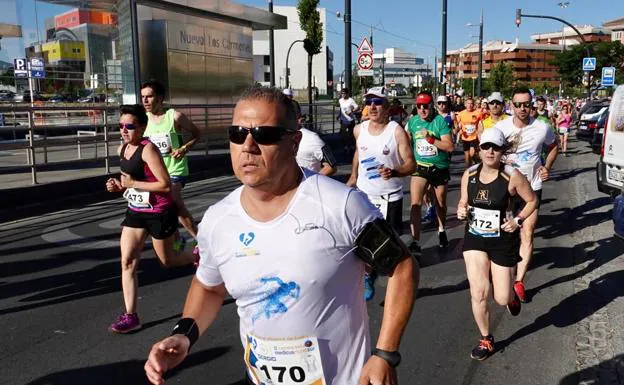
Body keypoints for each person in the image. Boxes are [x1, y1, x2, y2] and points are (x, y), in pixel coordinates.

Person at [144, 86, 418, 385]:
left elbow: (402, 267)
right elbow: (209, 287)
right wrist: (184, 335)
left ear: (294, 141)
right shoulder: (217, 220)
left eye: (265, 134)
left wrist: (385, 354)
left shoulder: (341, 205)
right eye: (237, 133)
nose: (247, 146)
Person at [105, 104, 197, 334]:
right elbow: (130, 179)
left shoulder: (148, 150)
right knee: (127, 261)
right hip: (136, 211)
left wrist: (132, 184)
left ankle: (198, 256)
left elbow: (165, 185)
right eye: (121, 126)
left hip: (158, 211)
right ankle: (131, 315)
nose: (124, 130)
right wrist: (118, 186)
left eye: (130, 126)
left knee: (168, 261)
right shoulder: (123, 149)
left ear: (142, 127)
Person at [457, 127, 537, 361]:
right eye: (486, 146)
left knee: (501, 298)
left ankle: (511, 296)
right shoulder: (469, 174)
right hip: (475, 238)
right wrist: (462, 210)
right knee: (479, 291)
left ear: (502, 151)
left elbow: (531, 201)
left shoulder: (512, 176)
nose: (490, 151)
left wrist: (518, 220)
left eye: (496, 147)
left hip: (502, 240)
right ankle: (486, 338)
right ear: (479, 149)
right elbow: (464, 201)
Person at [347, 86, 416, 301]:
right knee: (362, 239)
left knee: (390, 247)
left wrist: (394, 171)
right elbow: (359, 151)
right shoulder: (359, 129)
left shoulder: (396, 131)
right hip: (365, 194)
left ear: (387, 107)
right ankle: (368, 274)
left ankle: (401, 283)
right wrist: (352, 176)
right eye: (369, 102)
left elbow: (411, 164)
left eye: (377, 103)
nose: (372, 107)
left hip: (390, 197)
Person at [495, 86, 558, 303]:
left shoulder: (542, 128)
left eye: (526, 104)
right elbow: (488, 153)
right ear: (510, 105)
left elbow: (553, 146)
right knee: (506, 232)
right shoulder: (501, 128)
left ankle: (518, 281)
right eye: (518, 104)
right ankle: (504, 272)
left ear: (532, 105)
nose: (522, 108)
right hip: (508, 189)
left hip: (533, 186)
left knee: (527, 232)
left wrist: (547, 166)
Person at [141, 81, 201, 241]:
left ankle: (200, 239)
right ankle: (176, 238)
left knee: (173, 198)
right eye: (143, 97)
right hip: (155, 173)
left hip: (175, 170)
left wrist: (184, 149)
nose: (145, 101)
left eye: (149, 96)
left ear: (160, 98)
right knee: (162, 206)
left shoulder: (175, 116)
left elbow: (197, 133)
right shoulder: (142, 121)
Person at [406, 91, 455, 253]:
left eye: (425, 106)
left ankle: (441, 229)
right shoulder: (412, 122)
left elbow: (450, 146)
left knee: (440, 203)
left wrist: (431, 139)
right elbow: (406, 142)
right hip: (420, 168)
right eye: (419, 106)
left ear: (431, 106)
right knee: (415, 204)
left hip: (439, 168)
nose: (422, 110)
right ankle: (415, 242)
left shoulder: (439, 121)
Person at [456, 97, 483, 168]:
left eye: (471, 104)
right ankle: (468, 170)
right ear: (465, 104)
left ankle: (474, 163)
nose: (470, 105)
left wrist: (480, 132)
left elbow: (481, 123)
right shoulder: (461, 114)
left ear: (473, 105)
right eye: (468, 103)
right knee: (467, 156)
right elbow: (456, 124)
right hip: (465, 137)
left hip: (474, 137)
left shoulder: (478, 113)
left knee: (472, 153)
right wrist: (459, 130)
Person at [338, 88, 359, 154]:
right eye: (342, 93)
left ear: (347, 94)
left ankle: (352, 146)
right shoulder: (340, 100)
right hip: (343, 120)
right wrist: (339, 116)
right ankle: (346, 146)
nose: (343, 95)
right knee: (343, 134)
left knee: (351, 134)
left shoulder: (351, 100)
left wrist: (352, 111)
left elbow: (357, 107)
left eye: (344, 93)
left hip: (350, 119)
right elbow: (341, 109)